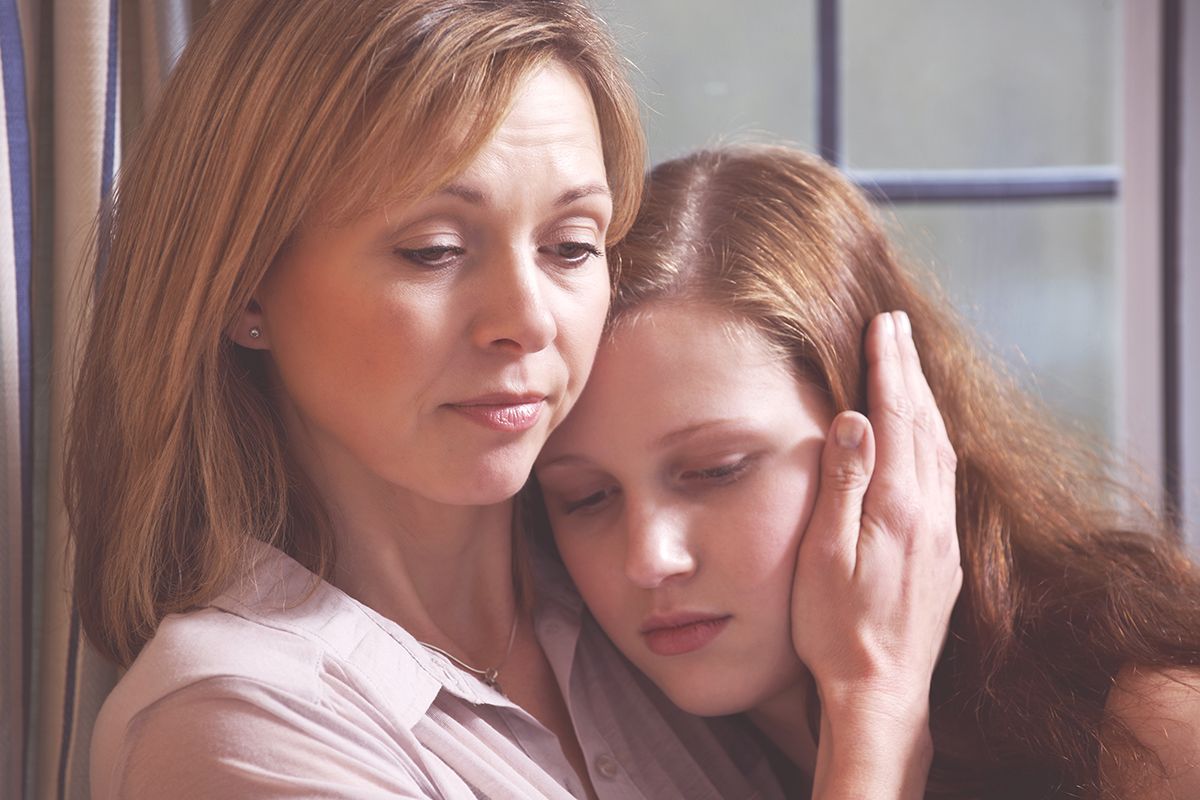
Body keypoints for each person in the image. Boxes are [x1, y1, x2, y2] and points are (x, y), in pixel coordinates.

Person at [68, 3, 956, 798]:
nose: (528, 321)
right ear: (244, 289)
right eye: (435, 250)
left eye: (572, 246)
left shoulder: (649, 617)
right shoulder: (235, 725)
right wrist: (875, 718)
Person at [534, 144, 1200, 799]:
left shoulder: (1153, 729)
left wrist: (876, 693)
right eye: (587, 497)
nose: (648, 559)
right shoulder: (646, 758)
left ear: (890, 435)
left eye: (716, 471)